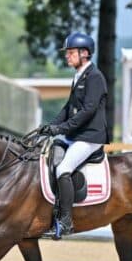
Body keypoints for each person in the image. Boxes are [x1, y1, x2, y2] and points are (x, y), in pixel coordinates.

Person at [40, 31, 109, 238]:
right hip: (77, 136)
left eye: (71, 52)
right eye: (67, 52)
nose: (67, 56)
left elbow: (88, 111)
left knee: (63, 169)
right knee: (51, 155)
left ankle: (66, 221)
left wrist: (61, 129)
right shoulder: (79, 76)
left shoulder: (95, 77)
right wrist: (51, 126)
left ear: (84, 53)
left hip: (90, 136)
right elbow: (68, 107)